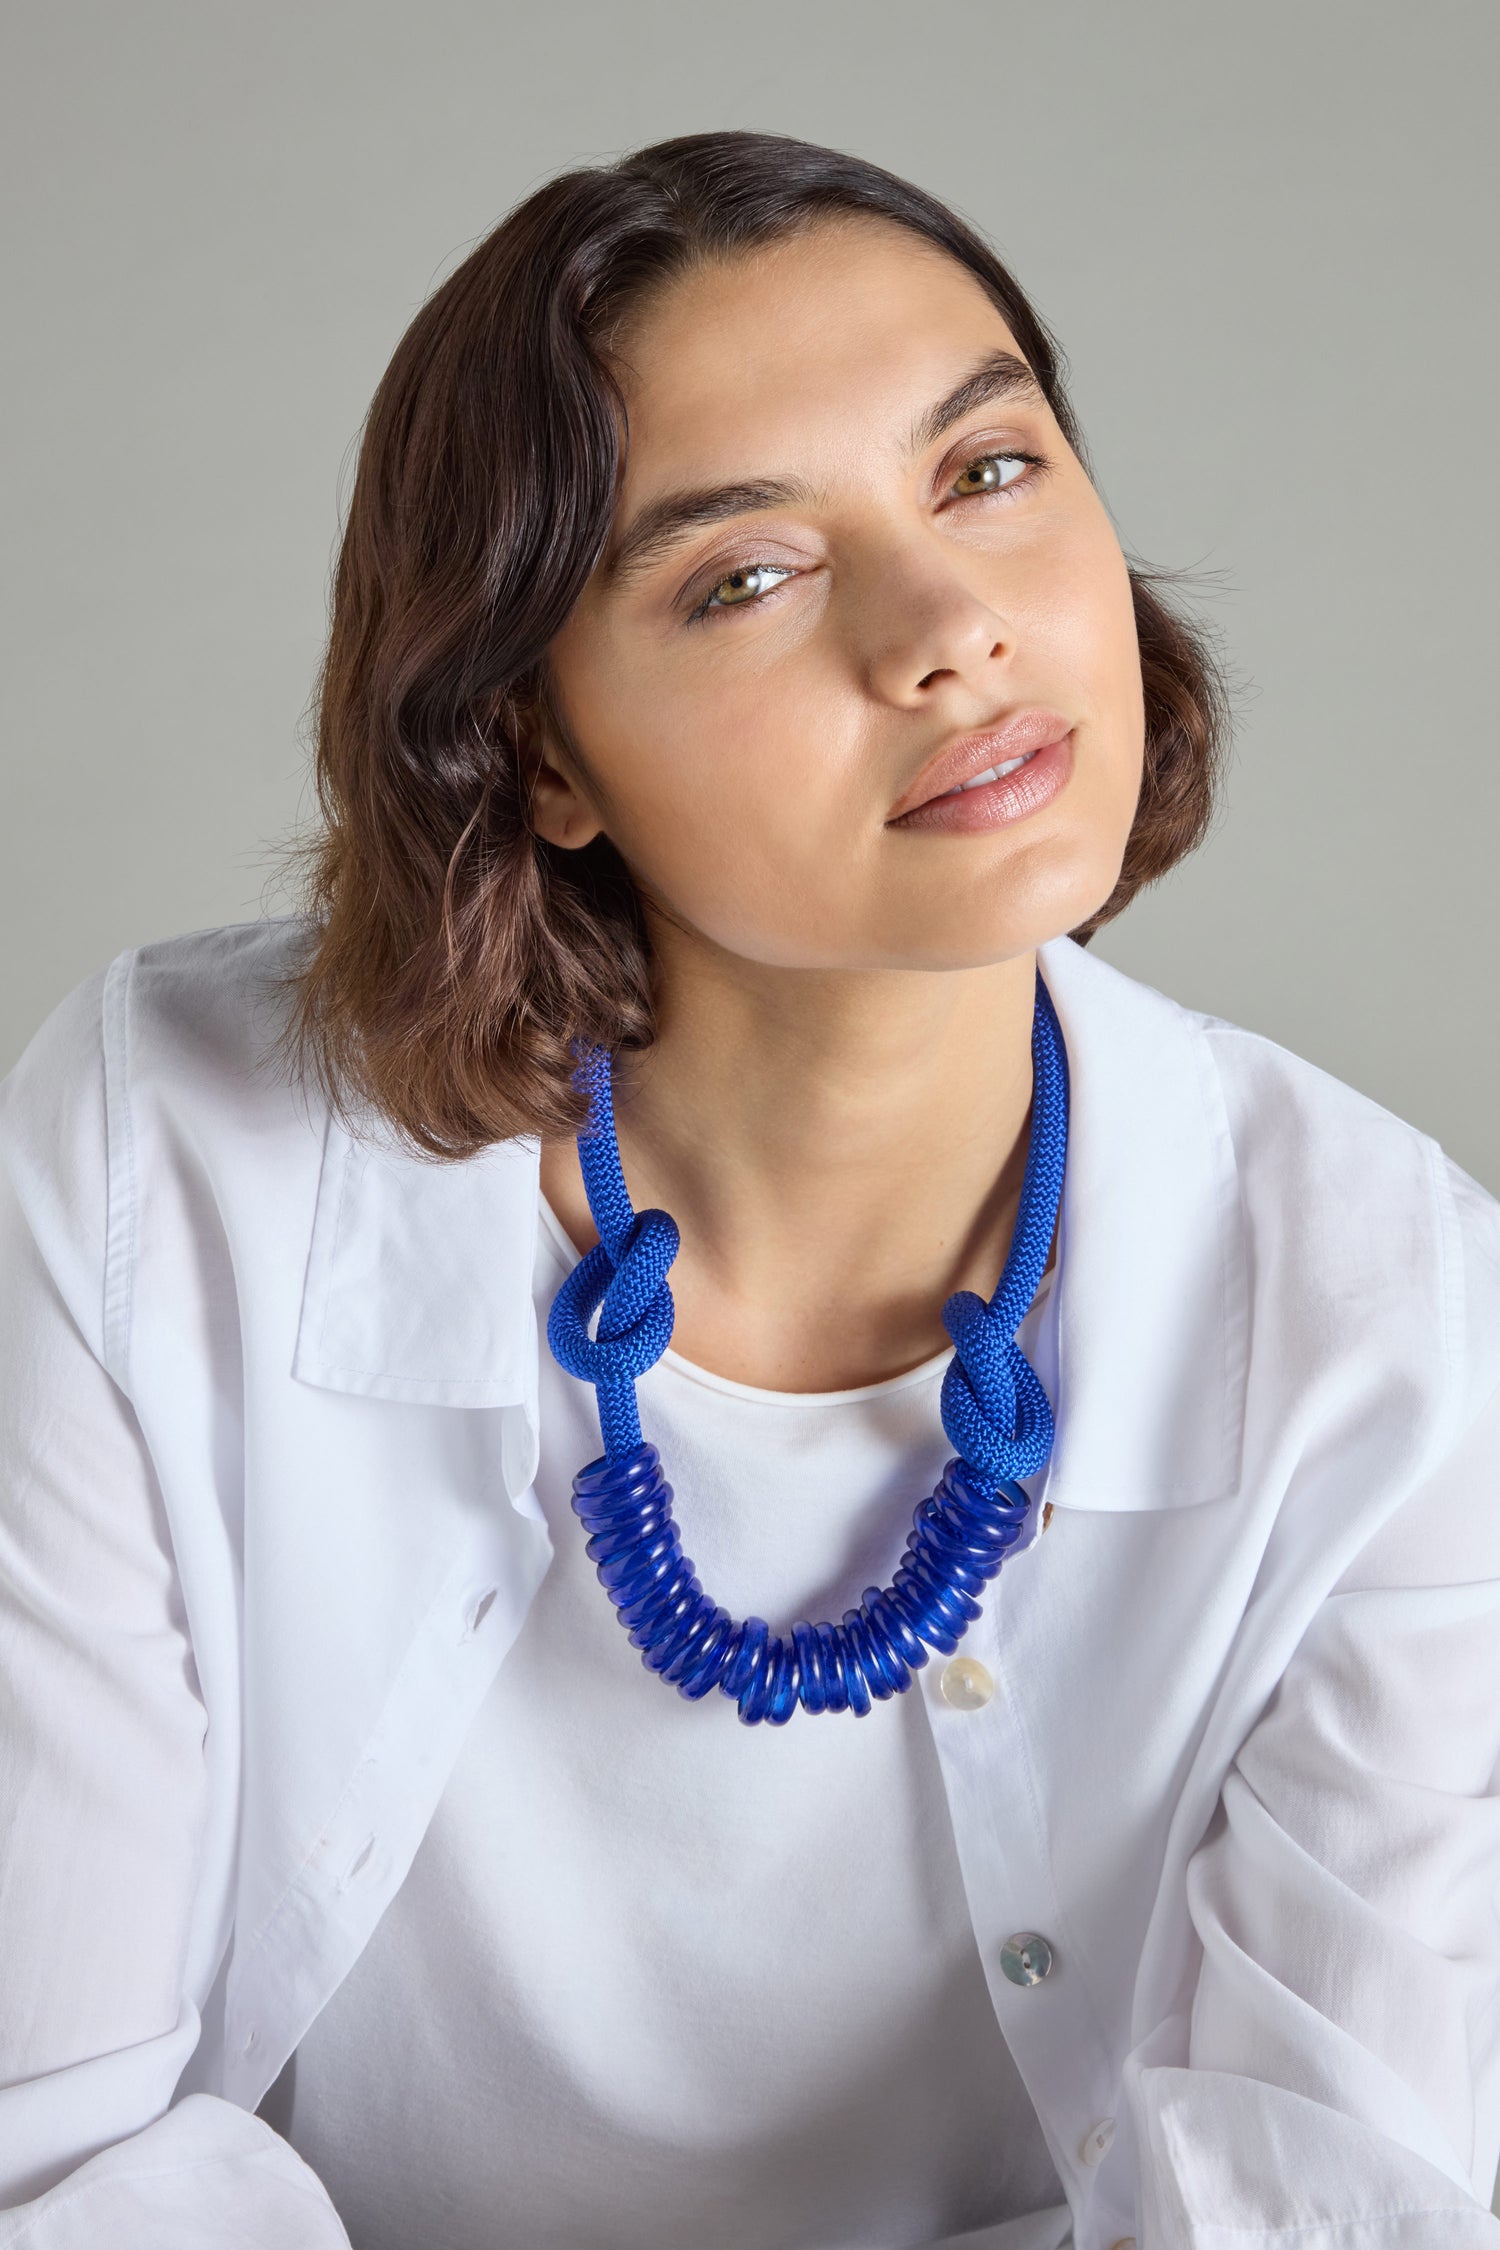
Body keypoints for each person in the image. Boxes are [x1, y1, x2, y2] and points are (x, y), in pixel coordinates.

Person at [1, 129, 1497, 2250]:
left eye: (986, 470)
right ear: (536, 753)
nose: (949, 630)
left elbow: (1335, 2207)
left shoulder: (1402, 1316)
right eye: (748, 575)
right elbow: (48, 2153)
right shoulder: (162, 1154)